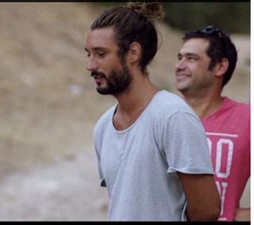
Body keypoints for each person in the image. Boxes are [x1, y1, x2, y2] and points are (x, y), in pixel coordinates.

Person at [86, 2, 220, 221]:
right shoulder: (103, 126)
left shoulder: (173, 116)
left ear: (133, 53)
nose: (90, 65)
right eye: (88, 54)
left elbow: (206, 210)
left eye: (100, 54)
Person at [175, 25, 250, 221]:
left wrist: (246, 216)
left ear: (219, 66)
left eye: (191, 58)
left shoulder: (247, 119)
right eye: (180, 57)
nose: (179, 65)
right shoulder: (162, 116)